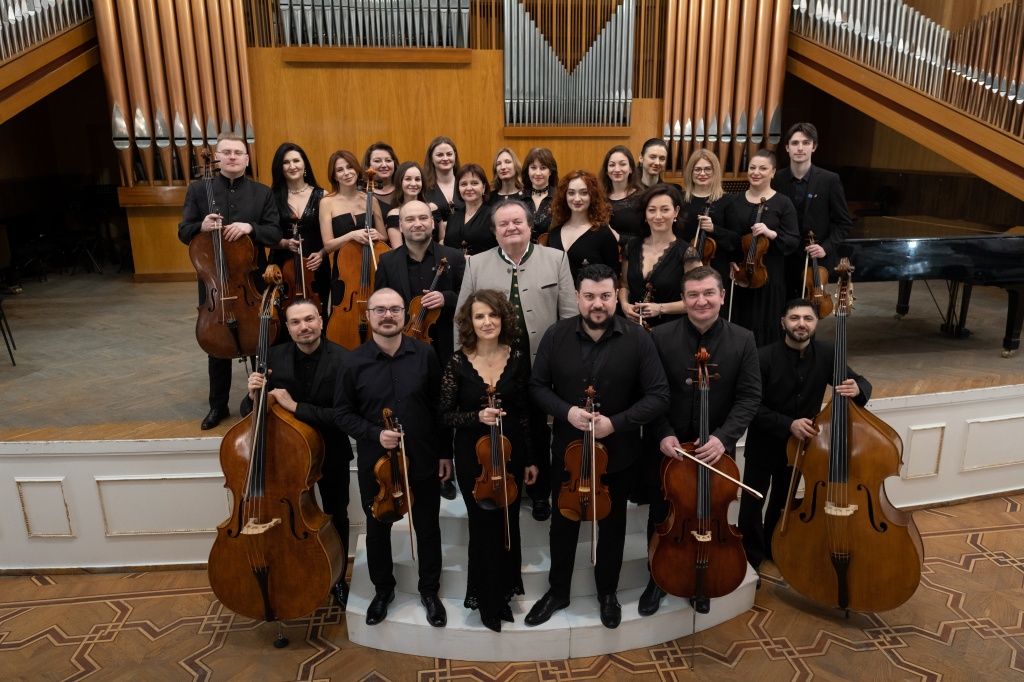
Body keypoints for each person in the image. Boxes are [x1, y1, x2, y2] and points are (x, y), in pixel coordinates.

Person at [525, 264, 669, 629]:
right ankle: (558, 591)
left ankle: (608, 593)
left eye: (605, 296)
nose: (597, 304)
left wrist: (616, 423)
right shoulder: (556, 335)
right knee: (563, 524)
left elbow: (658, 395)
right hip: (567, 454)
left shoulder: (639, 338)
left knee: (613, 526)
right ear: (577, 297)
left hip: (619, 454)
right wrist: (567, 412)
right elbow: (537, 387)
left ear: (615, 296)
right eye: (589, 296)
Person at [639, 266, 761, 616]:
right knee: (663, 513)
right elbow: (647, 392)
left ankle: (702, 578)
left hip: (715, 452)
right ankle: (657, 576)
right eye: (693, 295)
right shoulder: (659, 337)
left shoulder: (743, 339)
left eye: (708, 293)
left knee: (709, 515)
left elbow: (749, 397)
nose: (701, 301)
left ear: (722, 296)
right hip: (669, 448)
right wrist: (663, 433)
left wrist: (723, 438)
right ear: (683, 299)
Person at [333, 288, 453, 628]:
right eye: (380, 310)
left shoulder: (425, 353)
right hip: (377, 465)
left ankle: (429, 591)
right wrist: (375, 433)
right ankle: (383, 591)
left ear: (405, 315)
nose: (388, 315)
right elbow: (342, 413)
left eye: (395, 309)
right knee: (378, 529)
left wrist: (445, 453)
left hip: (423, 457)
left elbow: (439, 407)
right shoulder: (352, 362)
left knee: (427, 528)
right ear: (368, 315)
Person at [456, 199, 577, 521]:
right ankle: (498, 487)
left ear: (530, 226)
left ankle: (539, 494)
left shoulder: (556, 258)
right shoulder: (475, 264)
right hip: (492, 368)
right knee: (502, 428)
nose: (511, 228)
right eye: (503, 224)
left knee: (537, 429)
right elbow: (463, 320)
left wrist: (565, 366)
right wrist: (466, 368)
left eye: (517, 222)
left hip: (541, 367)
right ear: (494, 232)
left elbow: (569, 317)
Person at [738, 299, 871, 574]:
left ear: (816, 323)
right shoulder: (762, 357)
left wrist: (858, 388)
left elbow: (860, 381)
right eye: (795, 318)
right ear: (782, 322)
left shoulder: (827, 354)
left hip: (800, 447)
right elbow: (750, 406)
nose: (801, 324)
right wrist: (788, 424)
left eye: (808, 319)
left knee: (782, 503)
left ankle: (773, 548)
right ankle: (751, 558)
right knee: (752, 504)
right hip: (764, 443)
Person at [239, 298, 352, 610]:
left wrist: (296, 407)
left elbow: (344, 417)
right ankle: (293, 569)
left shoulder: (345, 359)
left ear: (321, 321)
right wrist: (252, 397)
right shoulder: (272, 357)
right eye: (296, 322)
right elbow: (248, 413)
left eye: (309, 319)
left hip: (330, 452)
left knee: (336, 514)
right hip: (285, 457)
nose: (304, 327)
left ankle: (338, 579)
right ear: (287, 328)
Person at [439, 290, 538, 632]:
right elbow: (444, 415)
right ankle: (486, 599)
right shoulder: (457, 362)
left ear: (503, 319)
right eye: (479, 316)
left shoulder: (517, 357)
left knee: (509, 524)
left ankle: (505, 593)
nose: (487, 322)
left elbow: (524, 413)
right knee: (483, 527)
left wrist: (530, 459)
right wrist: (476, 417)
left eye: (493, 315)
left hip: (511, 454)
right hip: (475, 458)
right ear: (470, 322)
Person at [178, 132, 281, 430]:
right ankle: (217, 405)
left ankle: (258, 399)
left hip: (251, 282)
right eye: (226, 152)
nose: (233, 157)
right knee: (216, 343)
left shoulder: (262, 193)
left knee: (259, 339)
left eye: (238, 152)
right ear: (217, 158)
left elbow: (274, 232)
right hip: (214, 283)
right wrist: (201, 225)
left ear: (247, 160)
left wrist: (251, 227)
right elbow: (183, 231)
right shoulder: (198, 190)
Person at [721, 149, 799, 346]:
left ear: (773, 172)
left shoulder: (783, 202)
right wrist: (731, 260)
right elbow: (729, 237)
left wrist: (771, 233)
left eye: (763, 168)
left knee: (767, 325)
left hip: (770, 275)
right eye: (752, 167)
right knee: (738, 325)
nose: (756, 172)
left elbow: (793, 240)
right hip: (740, 276)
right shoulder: (733, 201)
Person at [772, 122, 853, 301]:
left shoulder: (830, 180)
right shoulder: (777, 179)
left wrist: (825, 248)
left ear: (814, 147)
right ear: (787, 147)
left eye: (806, 143)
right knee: (781, 308)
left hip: (815, 261)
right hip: (783, 259)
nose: (800, 148)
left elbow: (844, 223)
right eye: (795, 143)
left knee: (810, 310)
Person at [319, 150, 397, 310]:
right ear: (334, 176)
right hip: (344, 272)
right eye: (340, 170)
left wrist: (378, 235)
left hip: (371, 270)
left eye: (350, 167)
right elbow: (328, 245)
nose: (346, 173)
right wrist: (351, 235)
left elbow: (384, 238)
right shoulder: (327, 203)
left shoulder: (371, 199)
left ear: (357, 169)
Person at [269, 142, 330, 317]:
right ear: (280, 167)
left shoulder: (322, 195)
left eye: (296, 160)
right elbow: (265, 234)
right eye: (286, 162)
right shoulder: (271, 197)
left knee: (318, 313)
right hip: (282, 267)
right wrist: (283, 243)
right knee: (283, 316)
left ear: (304, 164)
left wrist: (322, 254)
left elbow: (330, 235)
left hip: (316, 265)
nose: (292, 166)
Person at [619, 184, 689, 329]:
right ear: (645, 214)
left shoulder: (687, 253)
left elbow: (695, 300)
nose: (658, 216)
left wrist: (660, 309)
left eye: (665, 209)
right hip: (633, 329)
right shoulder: (631, 247)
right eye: (652, 210)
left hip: (671, 329)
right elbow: (624, 286)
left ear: (676, 211)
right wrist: (625, 305)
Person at [546, 170, 620, 281]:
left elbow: (614, 275)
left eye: (584, 193)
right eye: (571, 193)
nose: (577, 199)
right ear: (564, 196)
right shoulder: (554, 234)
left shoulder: (603, 234)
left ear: (592, 196)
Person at [680, 149, 733, 282]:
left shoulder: (727, 201)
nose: (702, 173)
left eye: (708, 169)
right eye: (697, 169)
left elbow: (736, 239)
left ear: (715, 171)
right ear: (690, 171)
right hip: (684, 265)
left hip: (716, 266)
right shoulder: (680, 199)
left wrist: (714, 229)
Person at [442, 163, 496, 256]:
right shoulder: (452, 218)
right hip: (456, 265)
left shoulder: (493, 215)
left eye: (474, 183)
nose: (469, 188)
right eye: (463, 184)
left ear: (483, 187)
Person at [385, 161, 444, 243]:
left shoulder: (433, 208)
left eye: (417, 179)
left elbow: (442, 239)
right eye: (408, 179)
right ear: (400, 182)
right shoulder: (394, 214)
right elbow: (398, 249)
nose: (413, 183)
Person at [599, 145, 645, 245]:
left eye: (622, 164)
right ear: (606, 170)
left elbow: (647, 238)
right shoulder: (599, 198)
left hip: (631, 252)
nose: (617, 169)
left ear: (631, 169)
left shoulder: (642, 198)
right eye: (612, 165)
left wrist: (619, 238)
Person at [519, 147, 558, 241]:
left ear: (550, 171)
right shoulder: (519, 198)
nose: (538, 173)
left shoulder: (559, 197)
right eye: (533, 167)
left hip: (551, 248)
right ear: (528, 171)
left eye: (543, 168)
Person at [423, 136, 463, 217]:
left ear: (455, 156)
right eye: (440, 155)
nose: (445, 158)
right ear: (431, 158)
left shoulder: (465, 184)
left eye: (449, 154)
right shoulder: (423, 188)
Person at [362, 142, 399, 213]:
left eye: (388, 160)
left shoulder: (403, 189)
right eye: (377, 161)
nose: (384, 165)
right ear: (368, 165)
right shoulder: (362, 194)